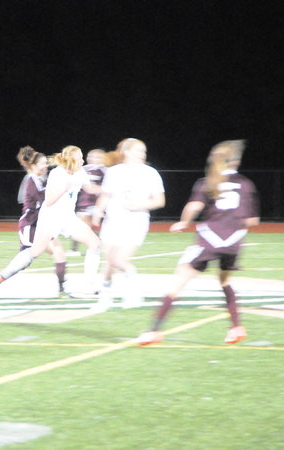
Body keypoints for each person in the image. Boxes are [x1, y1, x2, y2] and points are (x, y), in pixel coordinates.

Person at [134, 140, 260, 346]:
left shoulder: (207, 182)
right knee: (225, 281)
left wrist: (184, 222)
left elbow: (194, 207)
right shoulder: (246, 184)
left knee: (178, 281)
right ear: (236, 161)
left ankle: (154, 331)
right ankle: (236, 327)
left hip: (209, 239)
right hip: (234, 242)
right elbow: (252, 220)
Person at [0, 145, 101, 298]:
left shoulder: (80, 171)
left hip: (67, 217)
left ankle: (90, 285)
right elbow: (49, 201)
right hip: (50, 217)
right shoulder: (57, 173)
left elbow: (90, 189)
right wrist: (64, 188)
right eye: (79, 158)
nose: (83, 160)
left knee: (95, 243)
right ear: (71, 158)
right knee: (35, 252)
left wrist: (110, 189)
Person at [91, 138, 165, 310]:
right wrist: (98, 211)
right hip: (113, 220)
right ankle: (105, 295)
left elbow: (160, 201)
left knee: (119, 259)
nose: (142, 154)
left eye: (143, 151)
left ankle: (134, 292)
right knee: (109, 262)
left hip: (136, 221)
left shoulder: (150, 173)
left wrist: (138, 205)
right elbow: (106, 195)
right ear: (126, 152)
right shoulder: (114, 172)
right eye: (138, 150)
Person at [16, 146, 69, 296]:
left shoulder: (43, 178)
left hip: (43, 224)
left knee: (58, 252)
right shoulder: (31, 180)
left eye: (46, 163)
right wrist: (63, 189)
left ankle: (62, 289)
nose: (46, 166)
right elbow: (45, 199)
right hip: (31, 225)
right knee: (24, 261)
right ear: (33, 166)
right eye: (43, 163)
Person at [68, 148, 107, 256]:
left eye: (97, 157)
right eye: (91, 156)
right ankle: (99, 245)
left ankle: (75, 249)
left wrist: (101, 191)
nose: (93, 159)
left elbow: (107, 186)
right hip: (83, 202)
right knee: (83, 226)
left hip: (96, 203)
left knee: (82, 225)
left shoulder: (104, 170)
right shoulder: (82, 169)